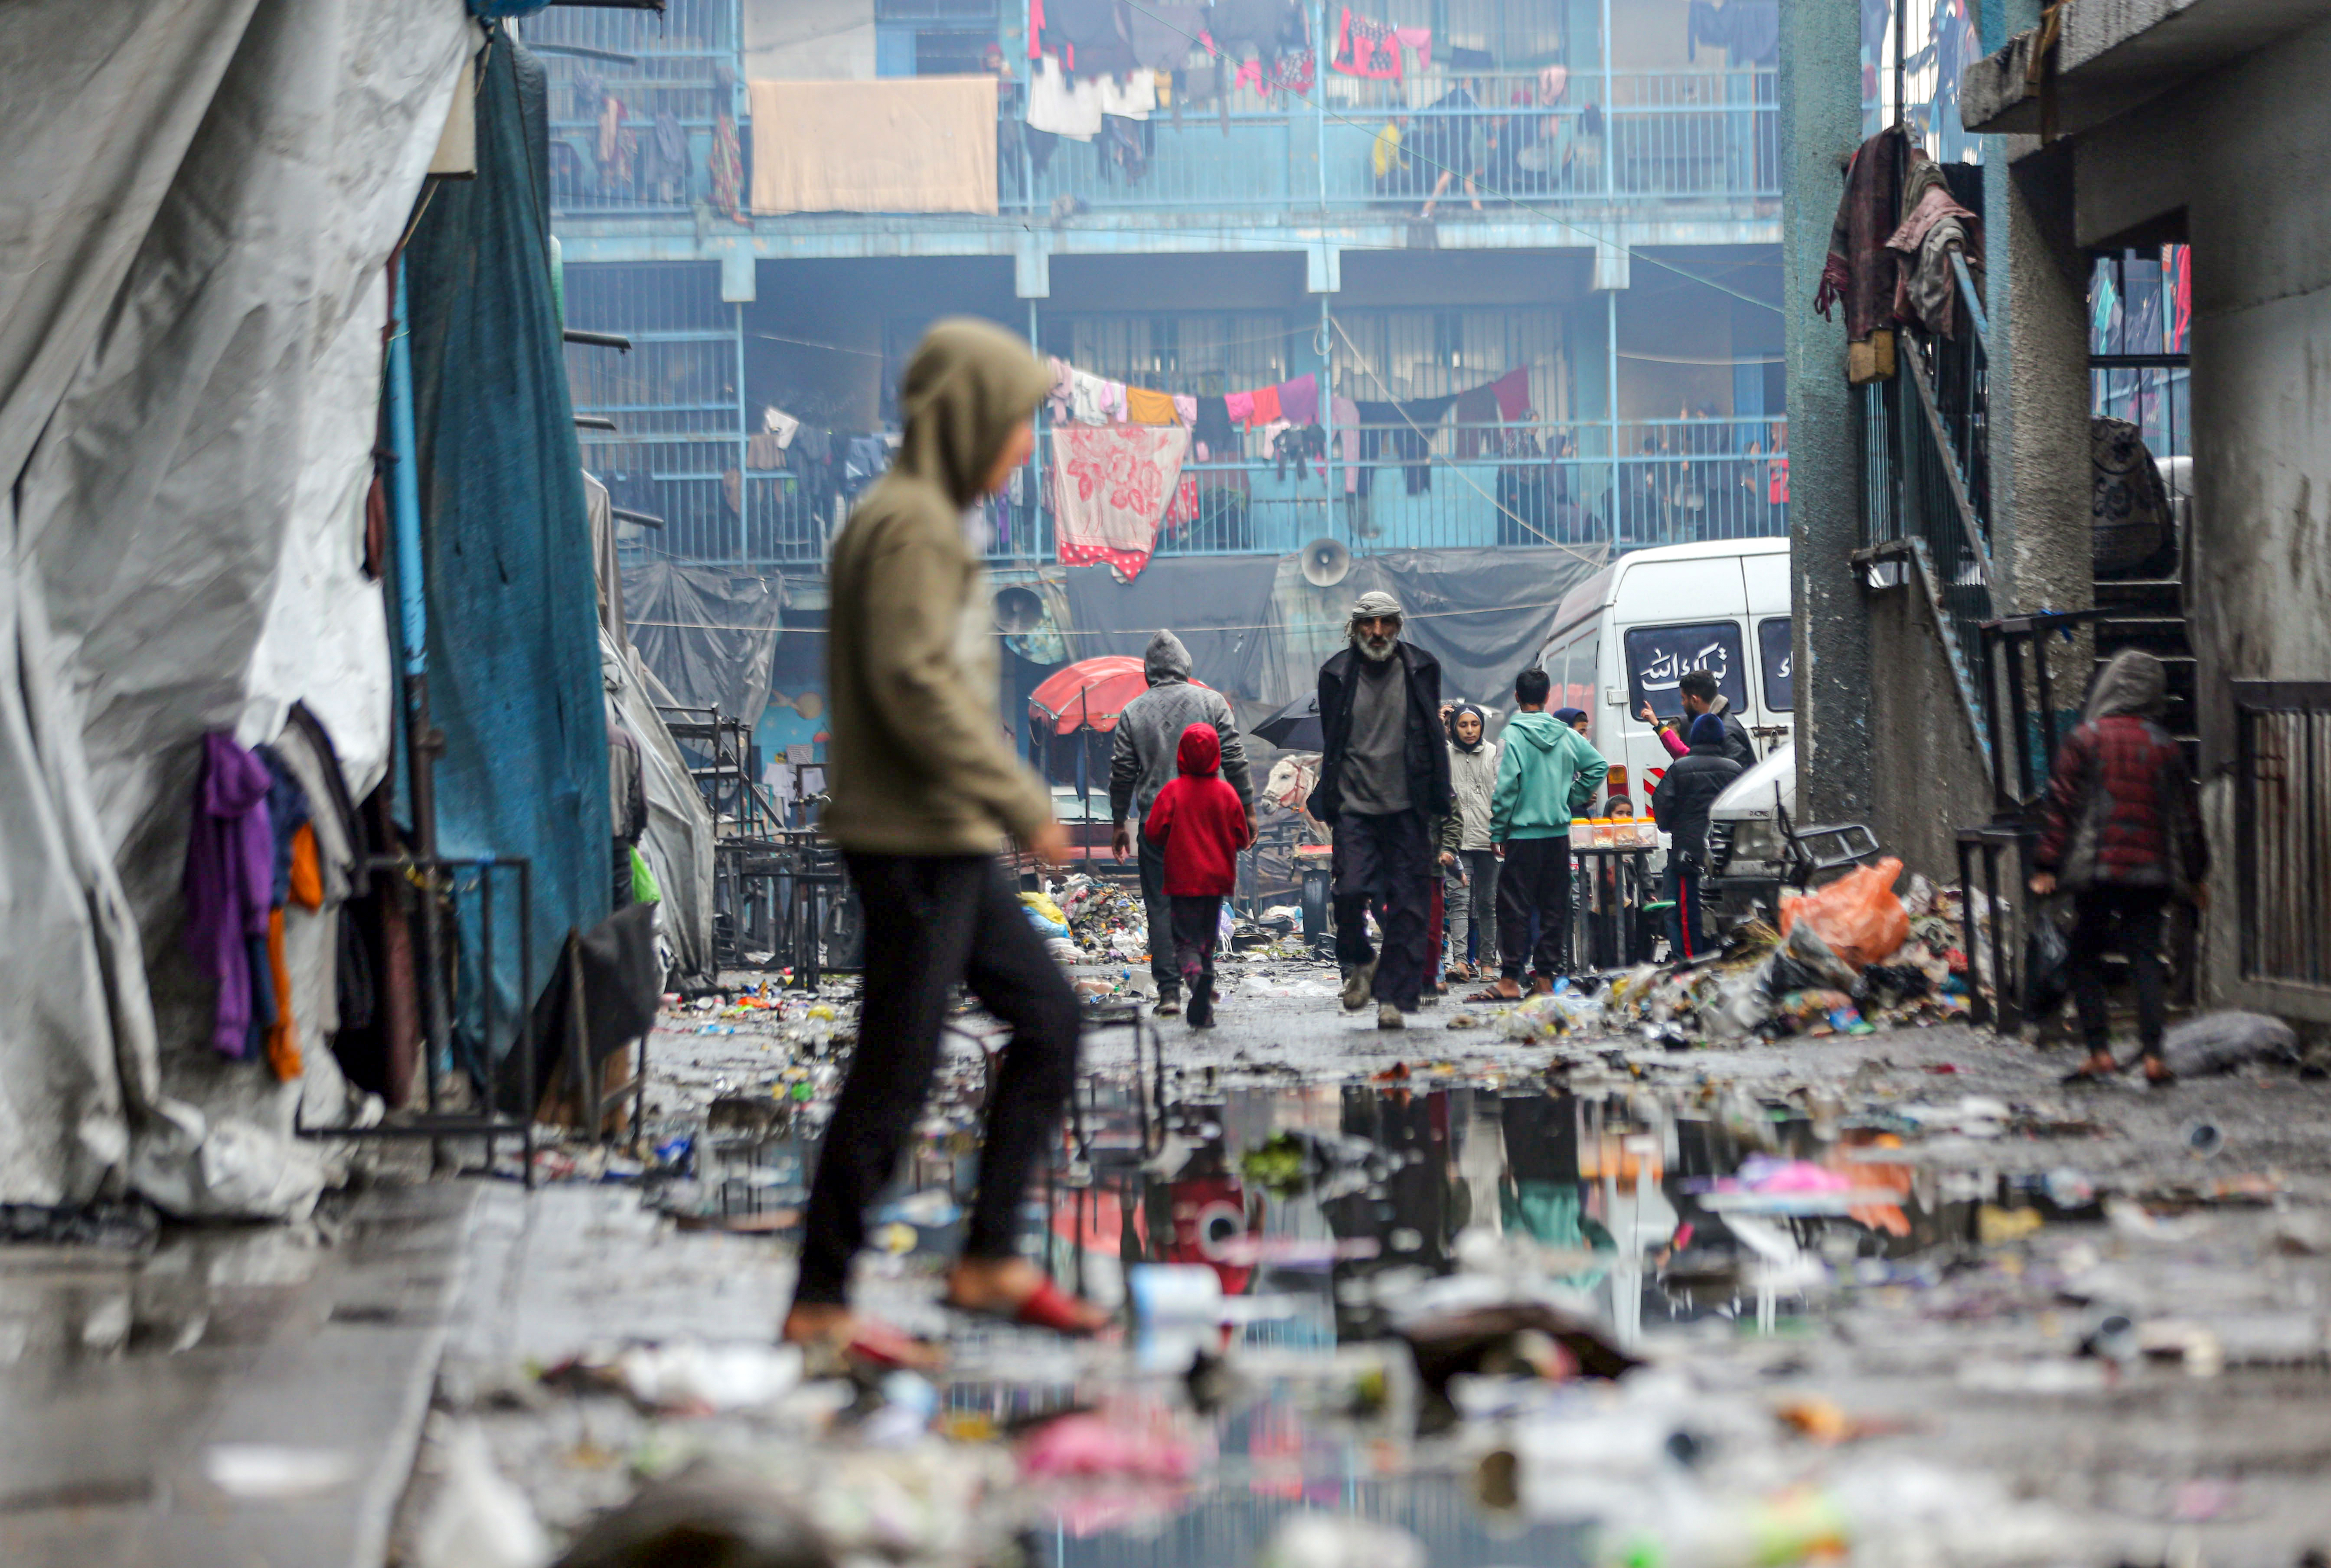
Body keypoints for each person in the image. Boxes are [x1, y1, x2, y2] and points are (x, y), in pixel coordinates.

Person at [788, 319, 1104, 1365]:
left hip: (942, 835)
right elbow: (916, 682)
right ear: (968, 416)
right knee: (900, 1064)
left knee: (1048, 1022)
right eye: (1016, 421)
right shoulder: (912, 526)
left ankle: (987, 1256)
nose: (1024, 446)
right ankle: (825, 1294)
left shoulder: (921, 519)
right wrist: (1022, 797)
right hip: (916, 838)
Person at [2029, 649, 2207, 1086]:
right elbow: (2188, 819)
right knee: (2146, 958)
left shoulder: (2085, 739)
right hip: (2152, 873)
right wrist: (2197, 874)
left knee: (2084, 957)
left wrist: (2047, 864)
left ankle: (2100, 1051)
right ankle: (2152, 1056)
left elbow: (2062, 806)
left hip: (2098, 871)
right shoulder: (2165, 747)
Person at [1313, 591, 1455, 1029]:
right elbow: (1332, 742)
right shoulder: (1335, 674)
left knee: (1408, 907)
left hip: (1407, 808)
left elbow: (1432, 734)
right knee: (1351, 890)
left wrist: (1439, 796)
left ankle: (1391, 997)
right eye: (1368, 624)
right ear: (1354, 629)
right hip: (1355, 807)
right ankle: (1360, 959)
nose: (1378, 633)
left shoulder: (1422, 667)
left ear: (1399, 625)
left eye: (1386, 623)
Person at [1110, 630, 1255, 1016]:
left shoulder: (1132, 712)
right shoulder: (1212, 702)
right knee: (1207, 904)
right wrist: (1249, 809)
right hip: (1210, 826)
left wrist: (1118, 823)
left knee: (1160, 906)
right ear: (1186, 666)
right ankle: (1202, 979)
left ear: (1148, 670)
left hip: (1159, 825)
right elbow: (1235, 758)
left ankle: (1170, 993)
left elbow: (1122, 772)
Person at [1476, 666, 1608, 1000]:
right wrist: (1571, 797)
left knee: (1514, 908)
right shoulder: (1566, 735)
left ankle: (1509, 980)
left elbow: (1506, 788)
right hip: (1557, 836)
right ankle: (1545, 980)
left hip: (1522, 836)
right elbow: (1597, 767)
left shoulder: (1513, 736)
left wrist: (1498, 830)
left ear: (1518, 697)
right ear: (1548, 697)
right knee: (1554, 907)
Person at [1143, 722, 1254, 1029]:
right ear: (1216, 753)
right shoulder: (1227, 793)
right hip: (1217, 881)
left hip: (1182, 879)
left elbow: (1153, 832)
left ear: (1181, 754)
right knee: (1207, 940)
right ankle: (1203, 1007)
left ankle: (1196, 981)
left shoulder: (1172, 792)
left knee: (1185, 943)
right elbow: (1242, 838)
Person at [1651, 712, 1745, 961]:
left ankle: (1691, 965)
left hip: (1687, 855)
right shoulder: (1735, 770)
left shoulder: (1679, 769)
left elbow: (1662, 805)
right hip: (1725, 857)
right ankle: (1723, 961)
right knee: (1725, 911)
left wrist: (1672, 827)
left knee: (1685, 912)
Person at [1441, 702, 1501, 981]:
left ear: (1482, 727)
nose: (1469, 731)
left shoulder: (1493, 754)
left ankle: (1488, 963)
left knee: (1488, 903)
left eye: (1474, 724)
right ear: (1454, 727)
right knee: (1459, 902)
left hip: (1488, 842)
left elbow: (1502, 793)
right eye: (1463, 725)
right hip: (1455, 842)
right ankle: (1461, 962)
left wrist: (1501, 833)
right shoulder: (1444, 755)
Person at [1639, 668, 1755, 769]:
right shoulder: (1713, 726)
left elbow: (1736, 780)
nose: (1682, 704)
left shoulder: (1726, 732)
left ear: (1694, 700)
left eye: (1684, 699)